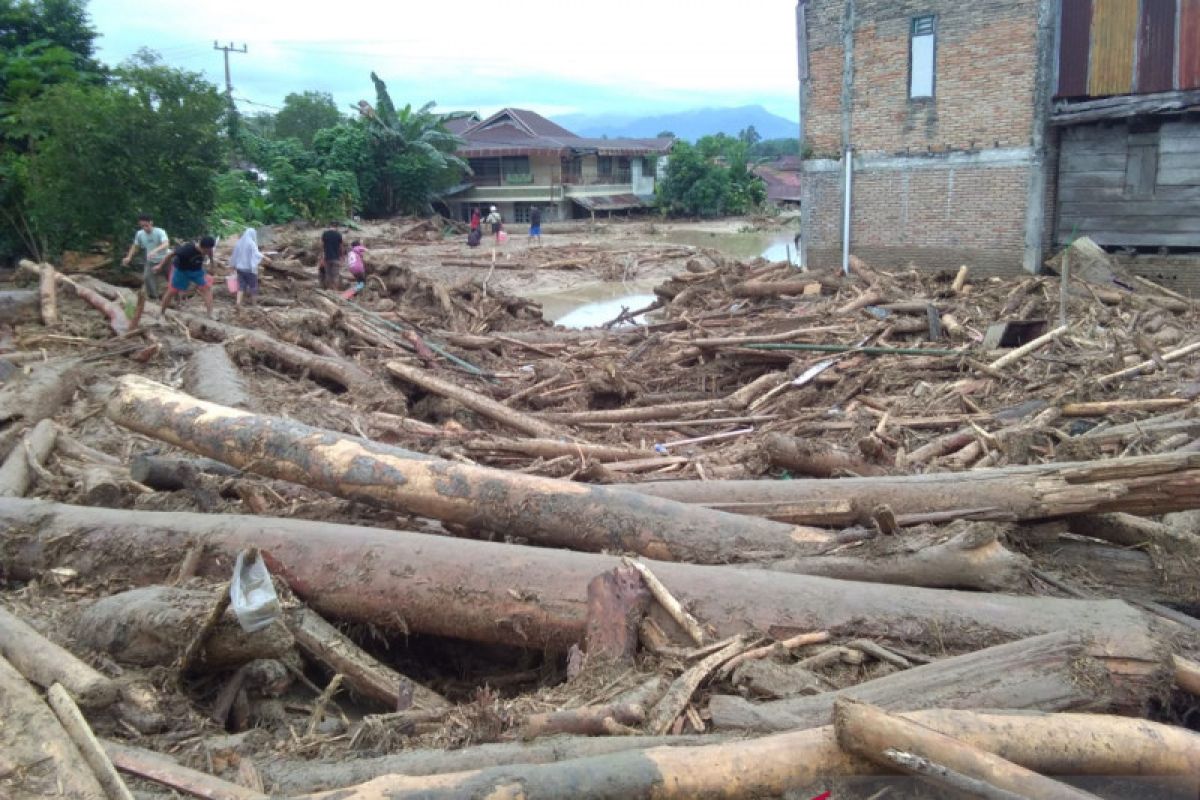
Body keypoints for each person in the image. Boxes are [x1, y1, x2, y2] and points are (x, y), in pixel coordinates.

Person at [157, 236, 216, 317]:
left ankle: (210, 314)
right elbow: (170, 255)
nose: (206, 253)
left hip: (196, 270)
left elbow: (210, 253)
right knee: (172, 291)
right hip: (181, 271)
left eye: (208, 250)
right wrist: (160, 266)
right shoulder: (186, 249)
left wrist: (212, 264)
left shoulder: (208, 249)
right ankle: (162, 312)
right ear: (201, 246)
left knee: (206, 288)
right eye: (205, 251)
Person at [121, 214, 170, 299]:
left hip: (166, 259)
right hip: (151, 260)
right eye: (142, 226)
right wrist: (129, 257)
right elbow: (135, 246)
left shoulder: (160, 232)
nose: (144, 228)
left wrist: (155, 250)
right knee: (147, 277)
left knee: (172, 278)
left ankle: (177, 298)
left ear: (151, 223)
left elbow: (166, 243)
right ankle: (154, 298)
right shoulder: (139, 234)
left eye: (146, 225)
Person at [229, 227, 269, 307]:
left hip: (240, 269)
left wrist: (232, 265)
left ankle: (238, 303)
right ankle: (254, 305)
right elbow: (256, 253)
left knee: (241, 286)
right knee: (253, 287)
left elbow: (234, 255)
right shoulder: (251, 243)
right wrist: (265, 257)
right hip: (249, 269)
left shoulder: (239, 243)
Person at [319, 222, 345, 289]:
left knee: (328, 275)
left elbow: (321, 246)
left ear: (329, 226)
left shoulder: (325, 234)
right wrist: (342, 257)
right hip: (336, 258)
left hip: (327, 258)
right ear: (336, 227)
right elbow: (341, 247)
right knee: (335, 275)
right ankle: (335, 290)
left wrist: (321, 257)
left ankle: (329, 290)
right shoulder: (338, 234)